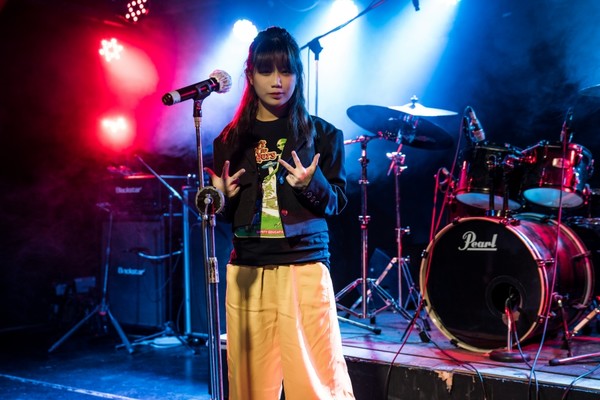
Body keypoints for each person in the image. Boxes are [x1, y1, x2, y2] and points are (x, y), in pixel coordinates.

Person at [205, 26, 355, 400]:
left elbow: (337, 203)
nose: (277, 81)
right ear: (250, 75)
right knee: (249, 387)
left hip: (303, 267)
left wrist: (311, 184)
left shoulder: (322, 135)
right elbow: (226, 216)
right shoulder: (229, 141)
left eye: (286, 71)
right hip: (247, 270)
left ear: (297, 76)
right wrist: (221, 199)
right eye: (266, 70)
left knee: (317, 385)